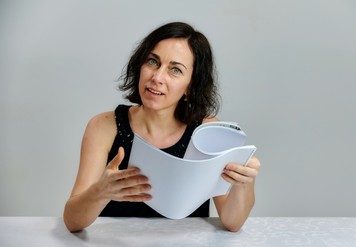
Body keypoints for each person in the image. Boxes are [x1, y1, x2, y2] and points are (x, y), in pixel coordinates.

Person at [63, 22, 260, 233]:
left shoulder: (209, 131)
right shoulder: (103, 126)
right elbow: (73, 222)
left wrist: (244, 183)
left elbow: (232, 222)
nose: (157, 77)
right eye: (152, 62)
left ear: (191, 86)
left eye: (175, 70)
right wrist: (99, 192)